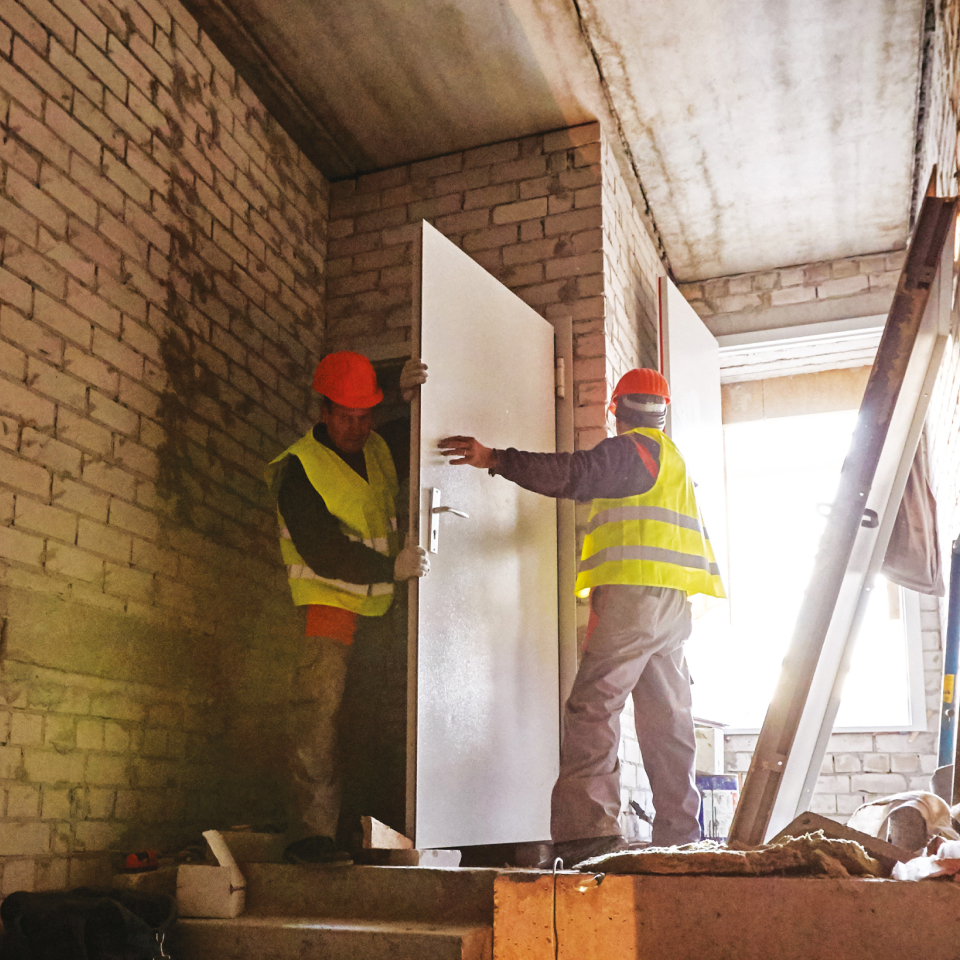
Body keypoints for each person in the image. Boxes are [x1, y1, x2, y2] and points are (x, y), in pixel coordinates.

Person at [439, 368, 725, 865]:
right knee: (667, 720)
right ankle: (680, 836)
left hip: (635, 598)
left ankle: (588, 832)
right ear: (664, 411)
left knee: (594, 707)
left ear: (616, 411)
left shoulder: (633, 451)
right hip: (673, 606)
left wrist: (494, 459)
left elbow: (573, 473)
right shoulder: (671, 458)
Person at [265, 351, 429, 862]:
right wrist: (392, 569)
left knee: (365, 726)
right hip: (327, 609)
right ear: (325, 412)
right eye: (347, 418)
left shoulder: (379, 447)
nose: (357, 428)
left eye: (366, 417)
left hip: (377, 614)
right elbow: (322, 550)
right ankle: (310, 839)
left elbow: (422, 429)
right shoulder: (300, 469)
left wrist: (408, 387)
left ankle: (363, 833)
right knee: (317, 724)